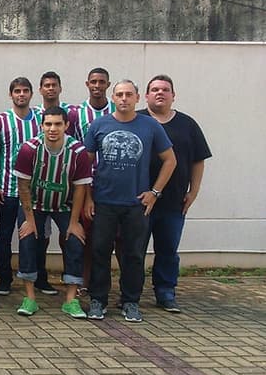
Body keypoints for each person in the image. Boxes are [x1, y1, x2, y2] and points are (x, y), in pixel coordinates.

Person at [83, 80, 176, 323]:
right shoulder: (99, 124)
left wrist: (154, 192)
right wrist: (88, 198)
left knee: (134, 254)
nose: (124, 99)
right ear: (113, 98)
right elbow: (85, 164)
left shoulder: (150, 126)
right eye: (120, 94)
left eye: (129, 95)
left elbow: (170, 160)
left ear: (137, 98)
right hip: (104, 201)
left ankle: (130, 301)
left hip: (136, 204)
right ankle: (98, 300)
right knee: (100, 251)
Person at [139, 75, 211, 313]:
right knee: (134, 249)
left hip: (174, 201)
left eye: (165, 90)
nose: (160, 93)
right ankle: (132, 293)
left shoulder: (187, 124)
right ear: (147, 95)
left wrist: (194, 191)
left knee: (168, 249)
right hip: (140, 200)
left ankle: (165, 292)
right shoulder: (137, 120)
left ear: (173, 95)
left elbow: (198, 160)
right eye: (155, 89)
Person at [14, 107, 91, 318]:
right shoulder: (30, 149)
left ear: (67, 125)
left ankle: (70, 300)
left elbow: (80, 188)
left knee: (75, 240)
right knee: (28, 238)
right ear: (41, 126)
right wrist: (29, 220)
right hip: (36, 204)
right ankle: (29, 298)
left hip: (65, 205)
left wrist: (74, 222)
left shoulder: (78, 152)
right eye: (48, 124)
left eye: (58, 124)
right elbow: (23, 186)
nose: (53, 128)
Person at [0, 77, 39, 297]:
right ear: (11, 94)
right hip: (7, 188)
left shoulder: (41, 119)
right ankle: (5, 278)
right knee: (4, 233)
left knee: (31, 234)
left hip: (32, 190)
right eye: (17, 91)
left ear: (31, 94)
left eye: (25, 90)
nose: (21, 94)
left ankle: (35, 276)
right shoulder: (1, 120)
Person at [68, 67, 115, 291]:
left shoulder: (117, 110)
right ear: (87, 84)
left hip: (113, 182)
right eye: (93, 82)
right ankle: (83, 280)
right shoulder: (76, 113)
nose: (97, 86)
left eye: (101, 82)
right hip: (85, 182)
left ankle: (106, 282)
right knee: (84, 233)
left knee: (114, 236)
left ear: (108, 84)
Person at [31, 71, 73, 296]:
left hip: (64, 190)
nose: (50, 88)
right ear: (40, 89)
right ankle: (39, 277)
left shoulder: (69, 113)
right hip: (38, 187)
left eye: (54, 85)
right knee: (40, 236)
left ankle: (72, 281)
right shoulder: (33, 114)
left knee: (70, 236)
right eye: (46, 85)